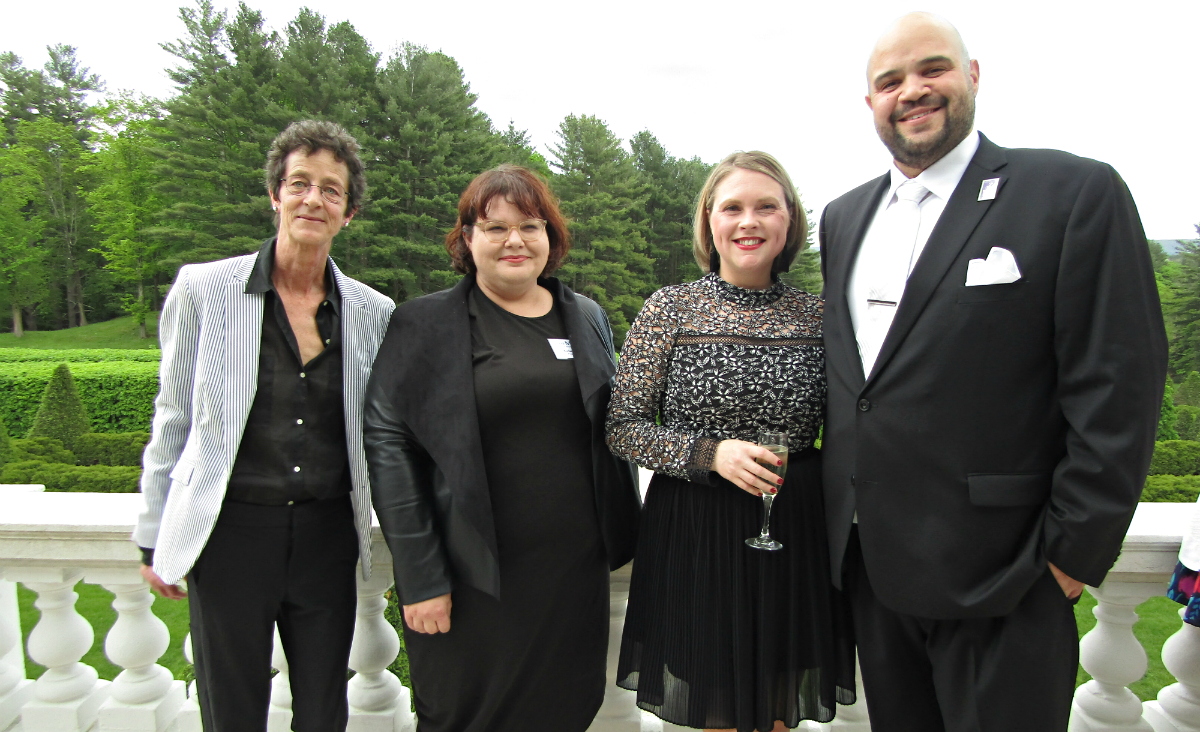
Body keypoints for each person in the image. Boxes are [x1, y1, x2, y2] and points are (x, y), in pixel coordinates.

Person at [818, 12, 1167, 731]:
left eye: (933, 69)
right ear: (870, 101)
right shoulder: (844, 217)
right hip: (873, 573)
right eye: (890, 81)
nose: (912, 91)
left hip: (1006, 576)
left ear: (973, 75)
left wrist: (1069, 559)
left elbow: (1117, 386)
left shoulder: (1072, 192)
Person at [132, 119, 396, 731]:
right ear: (275, 194)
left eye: (331, 189)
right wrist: (153, 534)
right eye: (299, 183)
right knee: (231, 709)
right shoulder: (204, 289)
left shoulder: (373, 311)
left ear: (348, 213)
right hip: (230, 534)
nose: (313, 199)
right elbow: (173, 415)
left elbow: (384, 432)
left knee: (324, 710)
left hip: (328, 535)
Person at [362, 164, 641, 732]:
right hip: (470, 576)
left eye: (530, 226)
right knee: (464, 715)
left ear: (550, 238)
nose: (515, 240)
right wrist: (421, 577)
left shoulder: (586, 316)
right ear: (468, 239)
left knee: (563, 711)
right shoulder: (423, 323)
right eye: (495, 228)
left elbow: (612, 427)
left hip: (570, 573)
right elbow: (390, 447)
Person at [606, 151, 856, 732]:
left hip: (792, 531)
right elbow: (623, 427)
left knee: (777, 709)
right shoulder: (670, 309)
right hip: (696, 533)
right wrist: (710, 454)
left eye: (767, 207)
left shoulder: (820, 317)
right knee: (712, 707)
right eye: (732, 207)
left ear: (789, 220)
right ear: (709, 221)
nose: (749, 221)